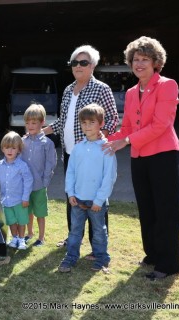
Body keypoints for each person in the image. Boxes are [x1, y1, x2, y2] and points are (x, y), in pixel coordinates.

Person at [104, 36, 179, 280]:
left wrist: (125, 141)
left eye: (144, 59)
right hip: (139, 156)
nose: (139, 64)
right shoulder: (130, 92)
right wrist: (104, 139)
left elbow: (161, 125)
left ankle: (168, 263)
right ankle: (153, 254)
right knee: (146, 208)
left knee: (165, 210)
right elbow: (127, 126)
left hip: (164, 156)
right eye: (135, 59)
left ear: (155, 62)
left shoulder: (168, 85)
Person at [43, 45, 119, 256]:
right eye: (75, 62)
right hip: (72, 154)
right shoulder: (68, 90)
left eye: (83, 62)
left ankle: (98, 246)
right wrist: (44, 131)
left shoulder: (101, 89)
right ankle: (73, 238)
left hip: (93, 154)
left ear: (93, 65)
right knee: (73, 195)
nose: (78, 66)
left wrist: (96, 138)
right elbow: (63, 121)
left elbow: (113, 121)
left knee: (96, 199)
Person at [58, 104, 117, 273]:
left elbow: (109, 177)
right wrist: (70, 193)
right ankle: (70, 257)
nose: (87, 126)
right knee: (75, 232)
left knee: (99, 231)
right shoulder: (78, 148)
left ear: (101, 123)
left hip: (97, 202)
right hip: (77, 199)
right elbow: (71, 172)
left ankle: (102, 258)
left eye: (92, 122)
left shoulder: (107, 149)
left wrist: (99, 200)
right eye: (83, 123)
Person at [0, 131, 33, 250]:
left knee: (21, 221)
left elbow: (28, 181)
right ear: (2, 148)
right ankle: (14, 238)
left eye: (13, 148)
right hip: (6, 200)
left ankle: (21, 239)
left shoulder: (22, 166)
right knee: (11, 221)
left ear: (19, 150)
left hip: (19, 200)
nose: (10, 151)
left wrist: (25, 198)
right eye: (7, 147)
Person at [21, 104, 57, 247]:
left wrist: (45, 181)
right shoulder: (22, 142)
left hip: (39, 185)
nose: (30, 126)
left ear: (42, 123)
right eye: (27, 122)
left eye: (34, 123)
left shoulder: (47, 143)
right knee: (27, 211)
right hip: (25, 186)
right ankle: (29, 233)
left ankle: (41, 238)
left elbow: (51, 163)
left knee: (40, 213)